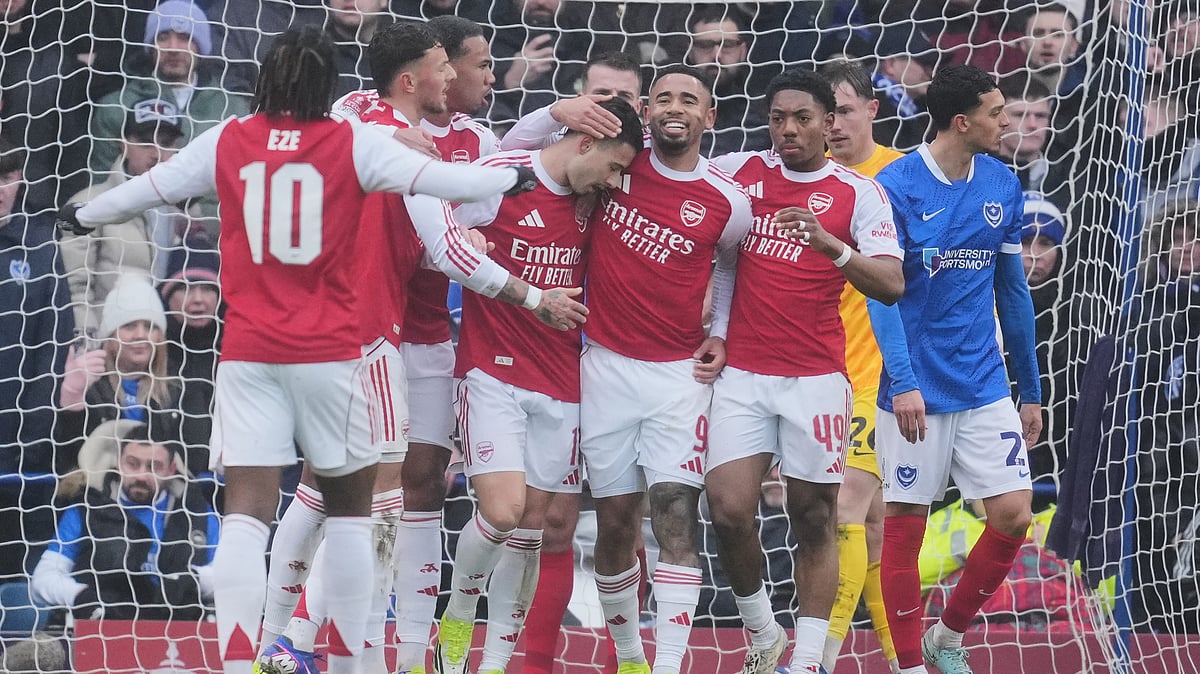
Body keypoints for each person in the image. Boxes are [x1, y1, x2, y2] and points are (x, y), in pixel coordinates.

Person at [57, 26, 550, 674]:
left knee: (247, 516)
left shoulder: (230, 138)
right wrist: (510, 181)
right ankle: (346, 661)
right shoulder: (351, 141)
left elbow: (148, 190)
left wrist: (81, 218)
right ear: (329, 87)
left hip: (250, 356)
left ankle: (244, 659)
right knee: (354, 513)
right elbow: (438, 181)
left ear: (266, 82)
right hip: (334, 353)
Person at [435, 97, 645, 674]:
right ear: (584, 144)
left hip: (562, 380)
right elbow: (428, 209)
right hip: (491, 371)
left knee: (531, 532)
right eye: (611, 167)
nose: (614, 182)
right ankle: (457, 617)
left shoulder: (593, 202)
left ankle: (497, 661)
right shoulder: (503, 177)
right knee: (503, 512)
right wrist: (462, 237)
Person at [705, 68, 903, 674]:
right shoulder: (740, 173)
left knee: (815, 517)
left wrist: (830, 246)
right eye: (778, 118)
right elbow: (715, 250)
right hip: (741, 374)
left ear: (829, 122)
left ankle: (809, 660)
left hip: (817, 378)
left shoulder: (857, 193)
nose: (788, 130)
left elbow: (892, 285)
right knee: (729, 509)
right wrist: (715, 330)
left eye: (803, 119)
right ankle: (764, 633)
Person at [866, 64, 1042, 674]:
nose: (1007, 122)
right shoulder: (895, 185)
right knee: (906, 522)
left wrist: (1031, 391)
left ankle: (947, 636)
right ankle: (909, 665)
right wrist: (905, 383)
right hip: (915, 390)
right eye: (998, 112)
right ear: (962, 121)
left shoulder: (1001, 182)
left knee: (1013, 515)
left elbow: (1013, 295)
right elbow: (881, 295)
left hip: (985, 382)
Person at [581, 64, 752, 674]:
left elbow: (730, 267)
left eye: (689, 99)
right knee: (614, 520)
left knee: (675, 511)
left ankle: (669, 664)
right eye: (662, 98)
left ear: (710, 116)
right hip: (599, 364)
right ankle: (629, 658)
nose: (674, 108)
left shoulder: (728, 201)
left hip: (678, 377)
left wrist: (720, 333)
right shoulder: (614, 164)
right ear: (646, 110)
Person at [504, 50, 648, 674]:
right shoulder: (550, 164)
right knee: (549, 520)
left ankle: (634, 658)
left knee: (625, 517)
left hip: (628, 364)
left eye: (622, 100)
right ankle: (534, 660)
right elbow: (507, 155)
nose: (607, 110)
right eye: (596, 98)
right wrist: (548, 111)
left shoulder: (651, 174)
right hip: (552, 356)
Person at [818, 59, 905, 674]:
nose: (832, 125)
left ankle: (816, 658)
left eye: (844, 110)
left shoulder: (901, 176)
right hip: (815, 373)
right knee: (869, 526)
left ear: (872, 109)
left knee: (845, 508)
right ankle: (904, 659)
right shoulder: (798, 178)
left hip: (880, 378)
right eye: (823, 115)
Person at [31, 421, 219, 621]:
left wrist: (196, 579)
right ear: (119, 462)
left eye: (154, 466)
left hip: (179, 633)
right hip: (101, 629)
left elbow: (232, 578)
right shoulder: (86, 509)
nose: (141, 476)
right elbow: (42, 579)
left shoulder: (198, 514)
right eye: (132, 463)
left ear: (171, 469)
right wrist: (81, 596)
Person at [0, 137, 73, 580]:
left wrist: (32, 428)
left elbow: (53, 343)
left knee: (12, 560)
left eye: (6, 176)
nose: (1, 187)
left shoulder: (40, 246)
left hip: (20, 439)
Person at [62, 100, 187, 335]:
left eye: (166, 142)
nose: (156, 152)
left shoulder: (186, 210)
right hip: (107, 342)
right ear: (123, 144)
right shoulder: (87, 204)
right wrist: (87, 338)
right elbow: (75, 285)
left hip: (164, 344)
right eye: (145, 140)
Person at [55, 272, 198, 475]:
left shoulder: (179, 387)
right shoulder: (91, 384)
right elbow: (68, 459)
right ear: (110, 335)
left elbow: (194, 458)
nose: (140, 335)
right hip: (98, 497)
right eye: (129, 326)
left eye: (150, 327)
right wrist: (72, 400)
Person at [89, 0, 249, 177]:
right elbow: (100, 183)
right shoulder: (115, 107)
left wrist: (200, 206)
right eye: (163, 37)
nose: (173, 48)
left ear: (201, 46)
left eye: (184, 38)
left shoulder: (234, 110)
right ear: (151, 47)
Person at [158, 244, 223, 480]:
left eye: (207, 288)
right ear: (166, 295)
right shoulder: (150, 351)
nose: (197, 300)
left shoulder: (234, 349)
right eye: (185, 288)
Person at [683, 8, 770, 156]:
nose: (716, 56)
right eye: (705, 45)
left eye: (728, 45)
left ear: (743, 51)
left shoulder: (765, 115)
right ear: (690, 50)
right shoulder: (674, 111)